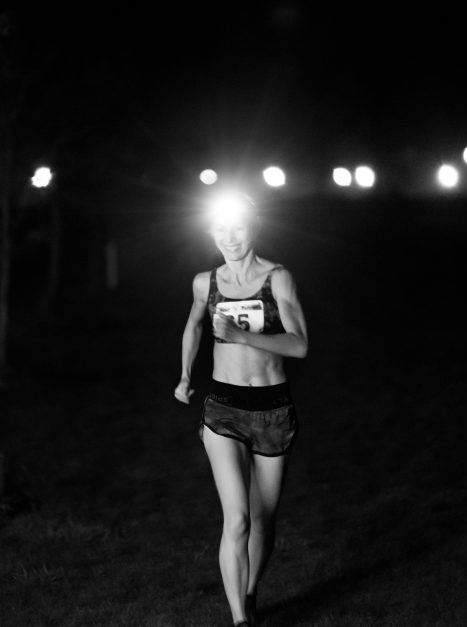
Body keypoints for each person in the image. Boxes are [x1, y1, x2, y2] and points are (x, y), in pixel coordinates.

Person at [174, 193, 308, 626]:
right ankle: (240, 621)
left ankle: (248, 593)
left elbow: (300, 344)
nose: (229, 238)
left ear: (254, 226)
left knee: (263, 520)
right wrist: (184, 375)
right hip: (223, 409)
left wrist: (242, 335)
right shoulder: (204, 282)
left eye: (237, 228)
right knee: (237, 521)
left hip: (272, 409)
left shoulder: (278, 278)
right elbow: (193, 325)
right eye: (219, 229)